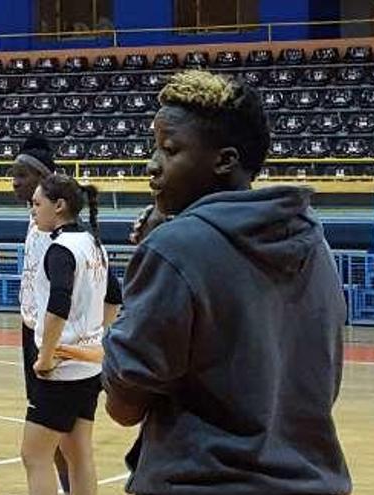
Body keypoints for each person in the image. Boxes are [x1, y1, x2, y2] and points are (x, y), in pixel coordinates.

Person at [101, 70, 351, 494]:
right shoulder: (313, 240)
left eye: (170, 149)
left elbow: (124, 405)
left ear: (224, 160)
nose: (152, 164)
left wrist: (158, 252)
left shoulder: (175, 249)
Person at [12, 137, 122, 494]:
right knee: (78, 450)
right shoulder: (92, 240)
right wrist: (97, 336)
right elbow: (113, 294)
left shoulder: (58, 243)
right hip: (86, 357)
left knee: (35, 453)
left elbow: (59, 302)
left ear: (57, 203)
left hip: (59, 355)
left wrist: (46, 354)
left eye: (37, 200)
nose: (31, 204)